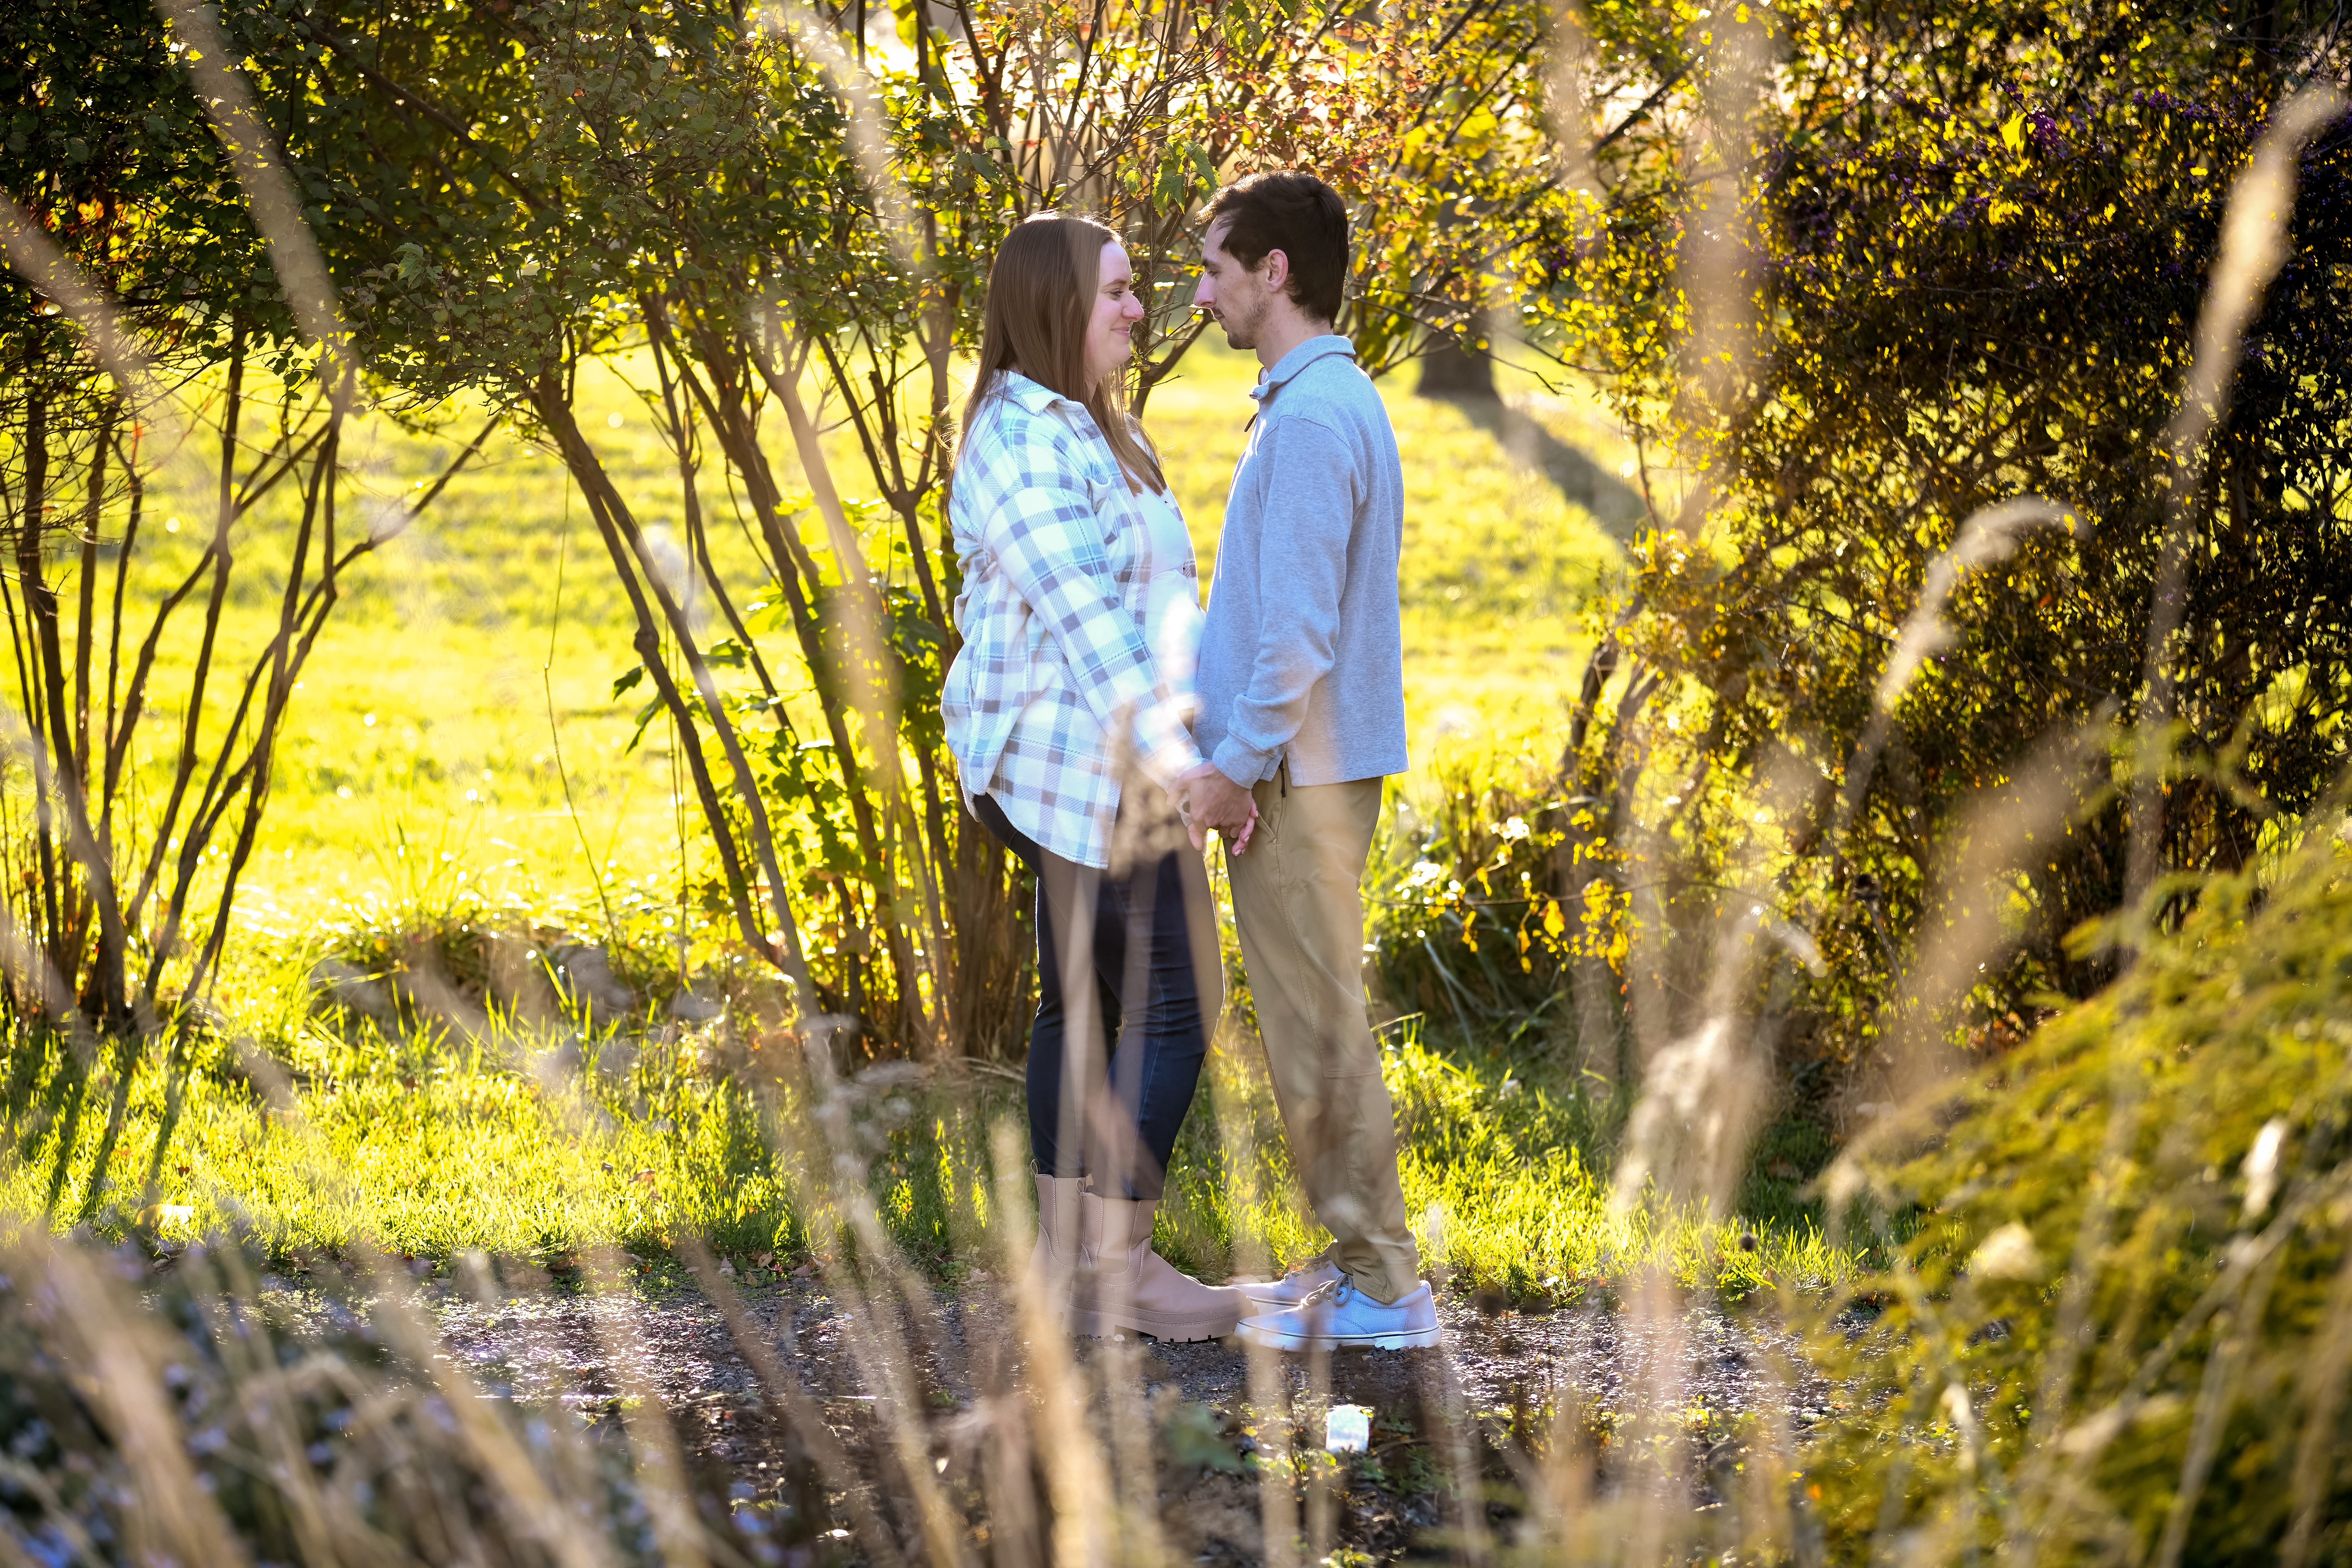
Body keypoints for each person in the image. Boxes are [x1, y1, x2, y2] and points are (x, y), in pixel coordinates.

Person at [941, 212, 1249, 1343]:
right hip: (1086, 771)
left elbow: (1157, 614)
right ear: (1058, 307)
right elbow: (1089, 631)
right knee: (1177, 1001)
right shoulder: (1022, 444)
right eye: (1117, 291)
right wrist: (1191, 775)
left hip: (1105, 760)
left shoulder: (1094, 429)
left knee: (1084, 1004)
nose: (1137, 308)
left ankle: (1068, 1262)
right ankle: (1125, 1273)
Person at [1177, 171, 1441, 1351]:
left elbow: (1295, 637)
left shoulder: (1314, 417)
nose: (1200, 290)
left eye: (1213, 266)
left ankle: (1385, 1291)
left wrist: (1234, 763)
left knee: (1315, 1033)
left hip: (1297, 776)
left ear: (1270, 271)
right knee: (1311, 1026)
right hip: (1310, 770)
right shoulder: (1322, 401)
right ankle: (1360, 1264)